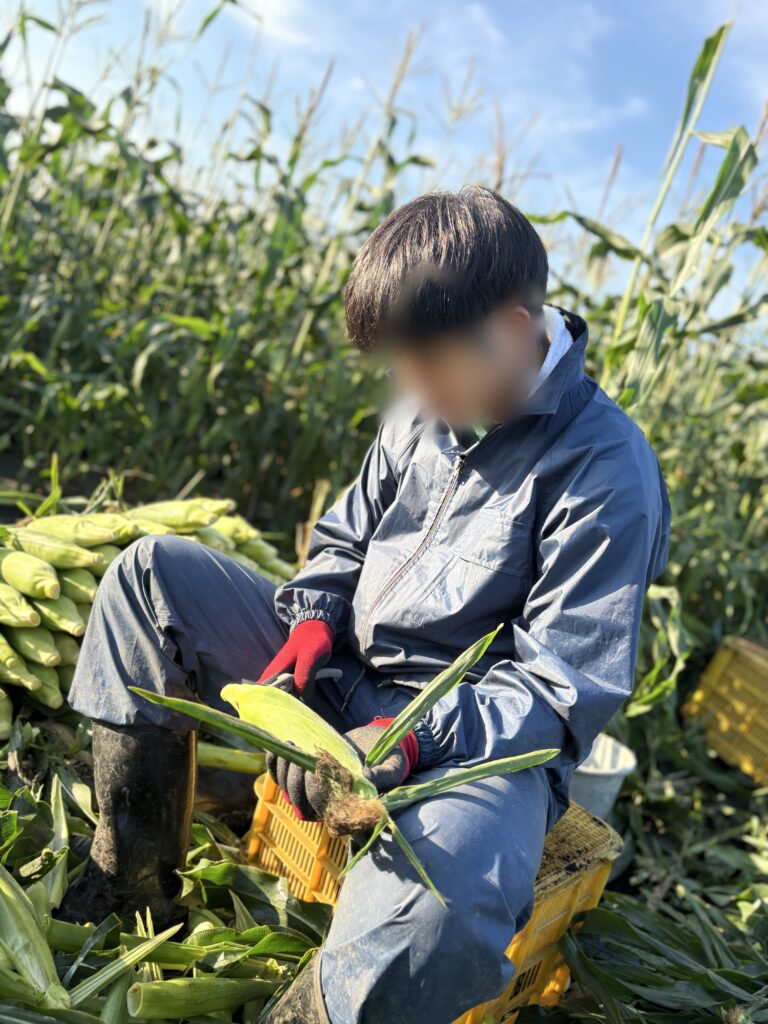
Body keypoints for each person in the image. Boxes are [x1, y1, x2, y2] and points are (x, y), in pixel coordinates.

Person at [62, 186, 670, 1024]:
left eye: (425, 360)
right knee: (149, 579)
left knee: (444, 918)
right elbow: (346, 540)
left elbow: (560, 689)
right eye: (398, 362)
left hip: (469, 749)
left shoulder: (606, 471)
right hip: (344, 673)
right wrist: (313, 618)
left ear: (511, 330)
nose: (407, 382)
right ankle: (131, 883)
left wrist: (412, 734)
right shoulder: (424, 409)